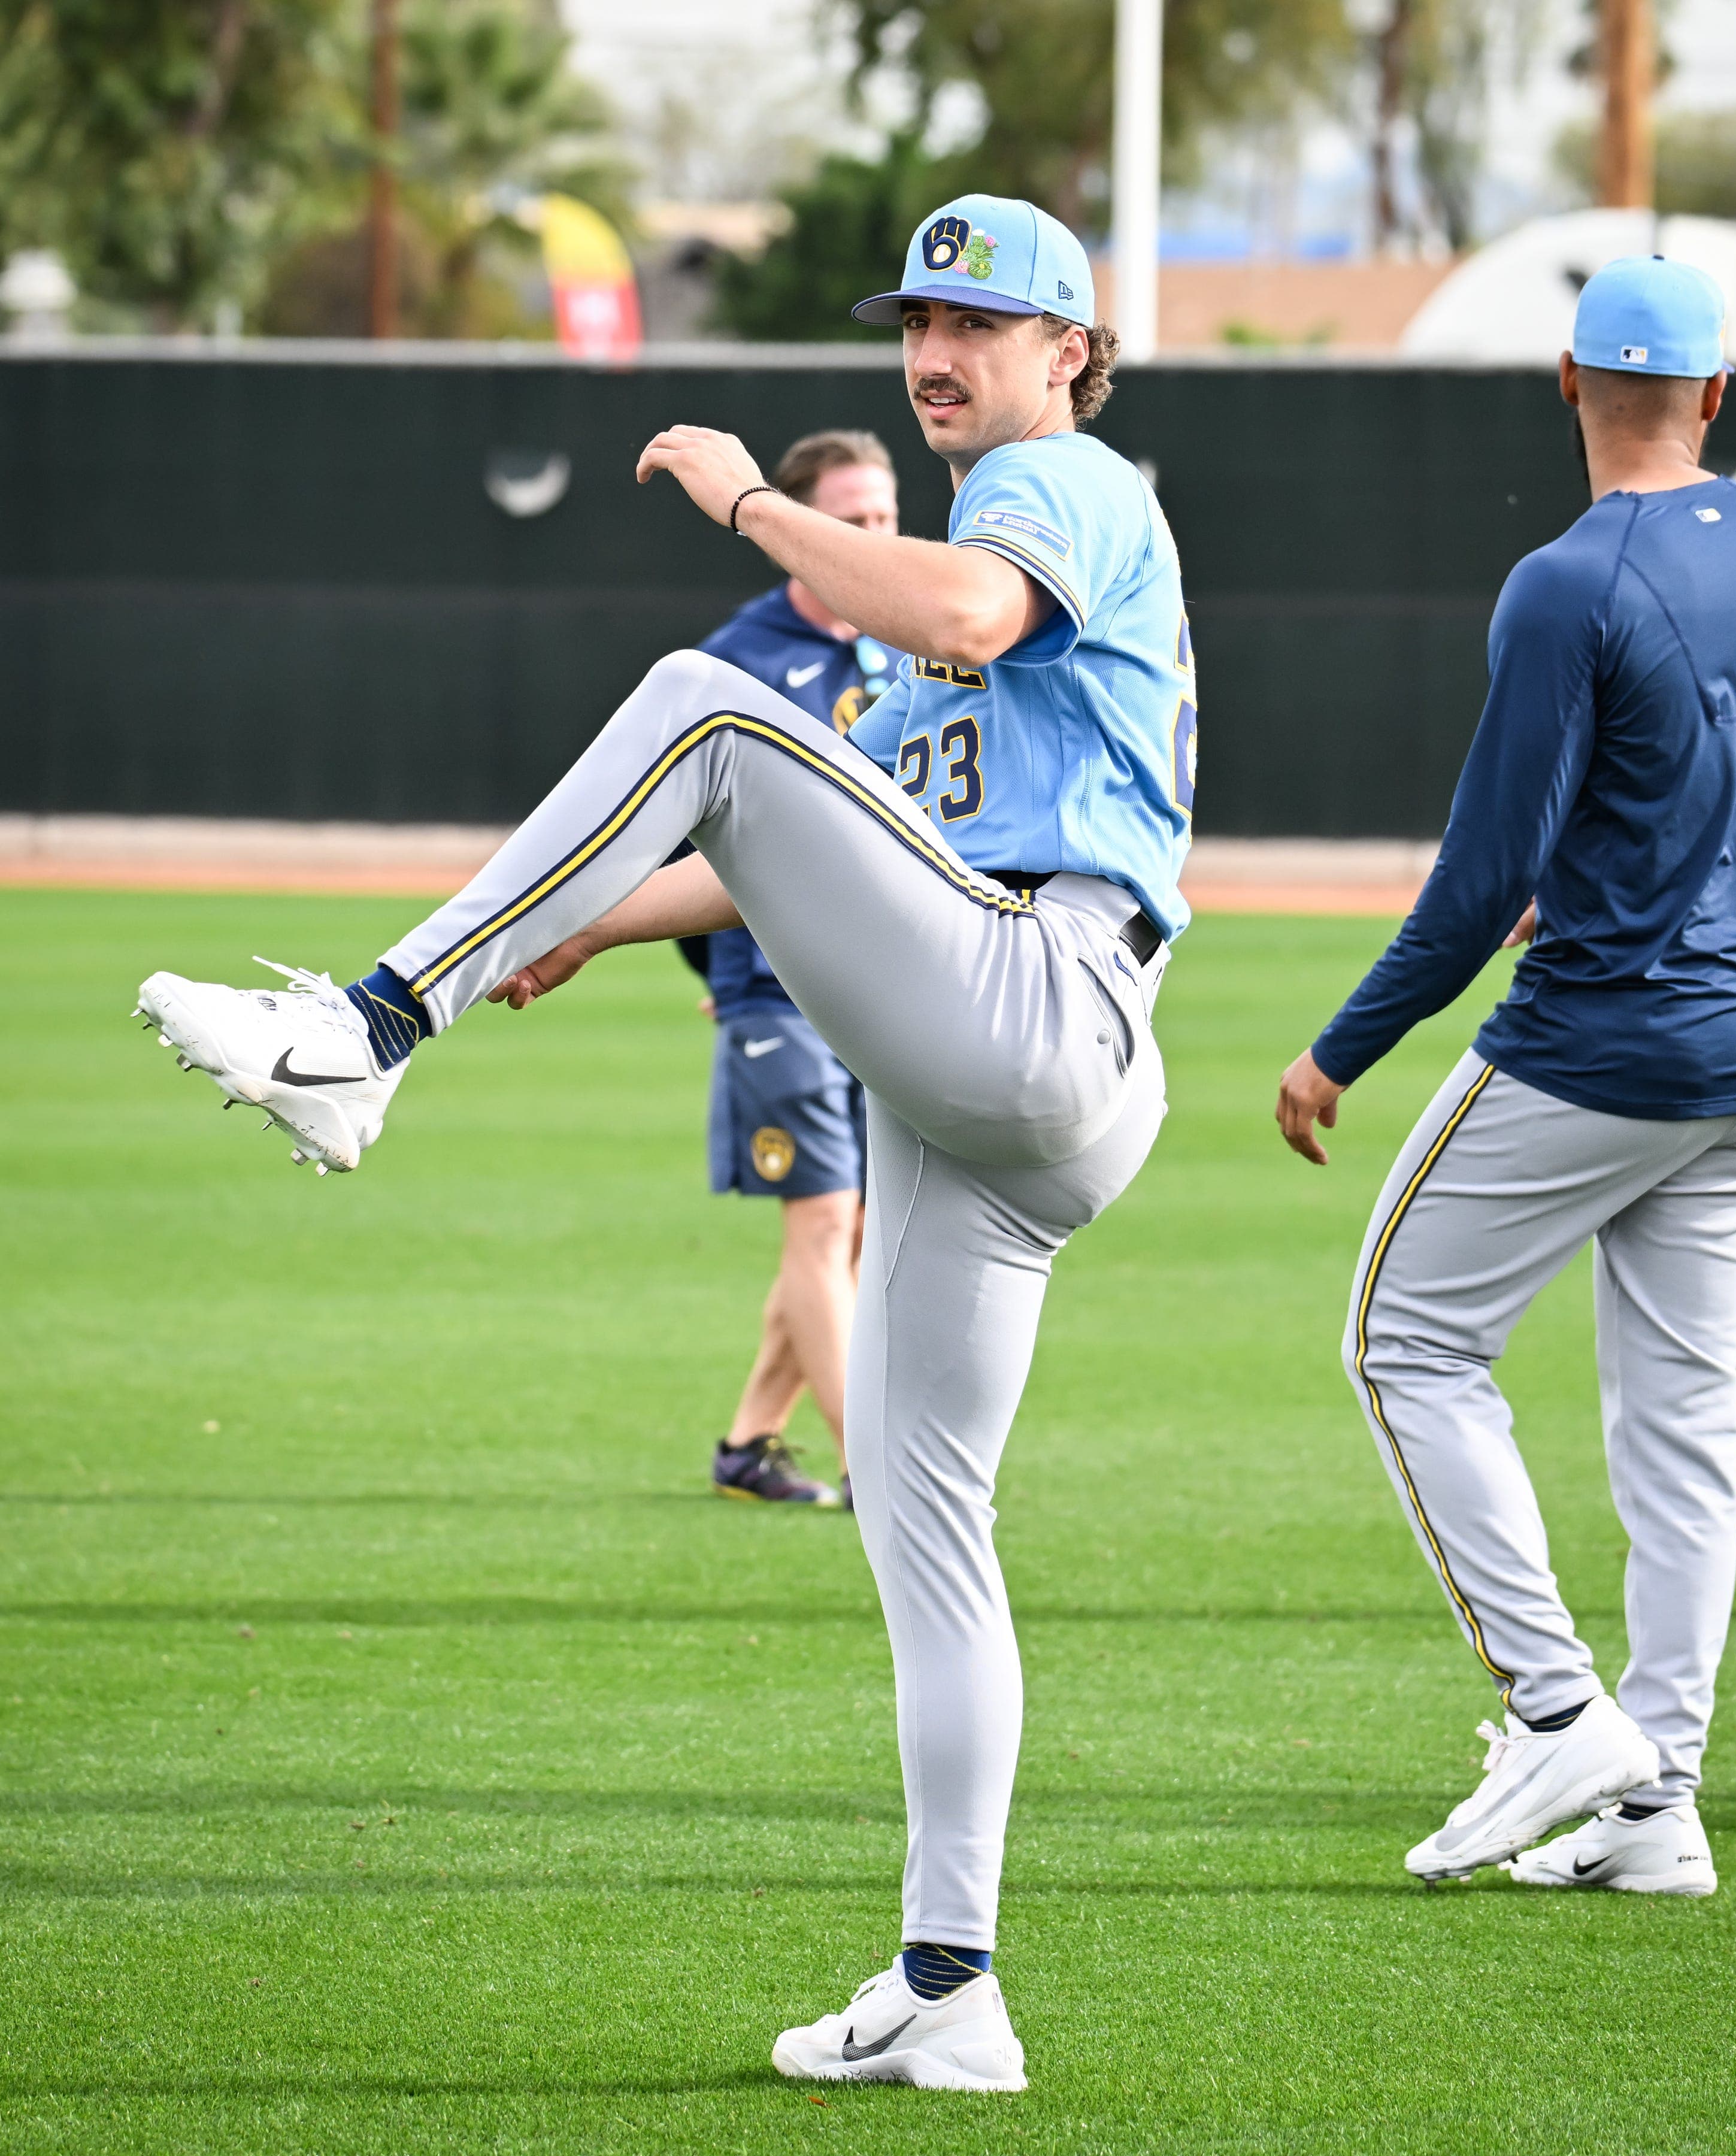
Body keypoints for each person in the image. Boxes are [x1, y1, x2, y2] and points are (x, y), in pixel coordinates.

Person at [134, 192, 1190, 2091]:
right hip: (1005, 1083)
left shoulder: (1073, 488)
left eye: (981, 321)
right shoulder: (946, 588)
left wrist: (743, 500)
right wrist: (587, 919)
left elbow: (944, 616)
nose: (937, 350)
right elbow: (777, 839)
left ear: (1070, 353)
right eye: (918, 321)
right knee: (928, 1530)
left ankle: (358, 1037)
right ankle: (952, 1989)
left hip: (1049, 993)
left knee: (708, 692)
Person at [1275, 256, 1736, 1896]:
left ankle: (1554, 1711)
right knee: (1682, 1422)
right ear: (1721, 396)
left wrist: (1343, 1049)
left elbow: (1480, 882)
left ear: (1563, 383)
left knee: (1401, 1340)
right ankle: (1660, 1808)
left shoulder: (1566, 578)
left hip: (1611, 1041)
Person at [689, 429, 905, 1511]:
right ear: (795, 526)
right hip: (776, 990)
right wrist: (713, 967)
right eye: (851, 518)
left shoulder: (907, 643)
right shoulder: (739, 658)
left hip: (879, 984)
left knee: (852, 1222)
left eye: (884, 516)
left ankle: (748, 1444)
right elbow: (675, 832)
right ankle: (875, 1465)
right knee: (824, 1224)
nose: (874, 536)